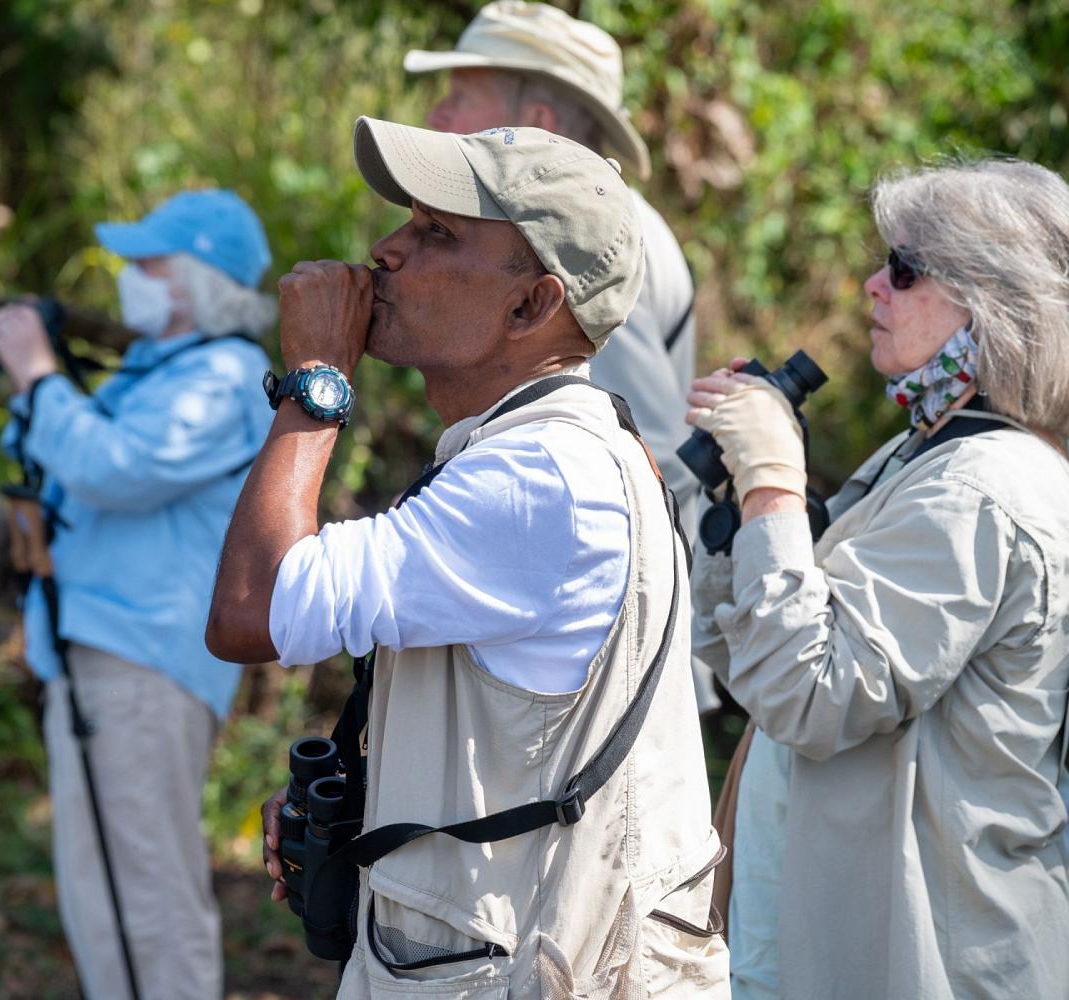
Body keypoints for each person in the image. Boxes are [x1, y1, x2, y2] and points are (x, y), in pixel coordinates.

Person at [208, 118, 729, 997]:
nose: (386, 250)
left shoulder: (541, 479)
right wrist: (376, 794)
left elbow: (250, 607)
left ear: (532, 306)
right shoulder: (547, 449)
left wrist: (315, 380)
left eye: (437, 233)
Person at [686, 158, 1069, 1000]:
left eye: (904, 268)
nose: (872, 285)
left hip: (930, 963)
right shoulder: (922, 456)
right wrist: (744, 505)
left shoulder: (979, 490)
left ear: (996, 302)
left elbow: (812, 697)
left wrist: (775, 484)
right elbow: (753, 663)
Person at [0, 189, 276, 999]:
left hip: (146, 662)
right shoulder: (161, 370)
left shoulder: (224, 374)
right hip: (105, 653)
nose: (130, 274)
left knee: (148, 891)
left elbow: (114, 468)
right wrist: (38, 395)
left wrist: (39, 375)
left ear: (197, 280)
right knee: (98, 889)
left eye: (149, 261)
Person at [405, 0, 720, 715]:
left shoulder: (591, 250)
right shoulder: (577, 234)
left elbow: (654, 452)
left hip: (596, 673)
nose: (438, 116)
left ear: (538, 121)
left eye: (461, 97)